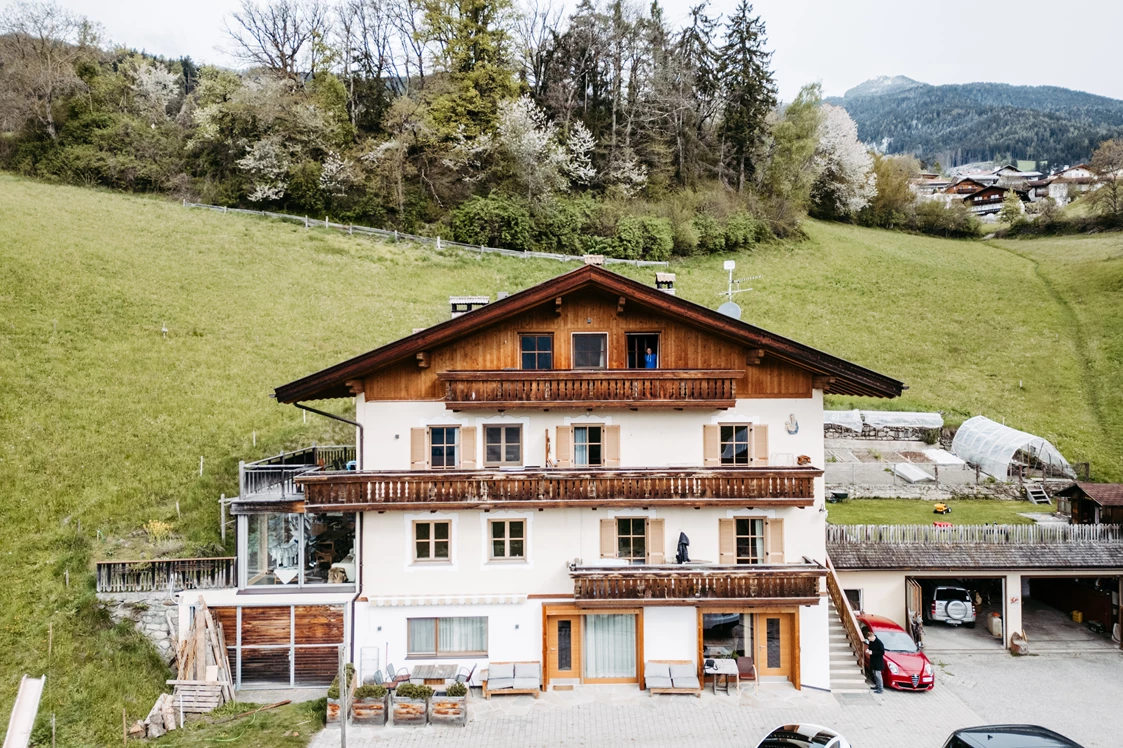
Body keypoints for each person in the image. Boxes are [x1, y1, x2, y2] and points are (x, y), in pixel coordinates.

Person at [865, 628, 885, 693]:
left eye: (869, 638)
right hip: (873, 661)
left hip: (878, 662)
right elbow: (870, 648)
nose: (868, 640)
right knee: (874, 674)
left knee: (878, 675)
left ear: (871, 637)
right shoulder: (871, 642)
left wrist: (873, 652)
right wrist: (868, 650)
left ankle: (880, 688)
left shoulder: (879, 643)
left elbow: (882, 652)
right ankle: (877, 685)